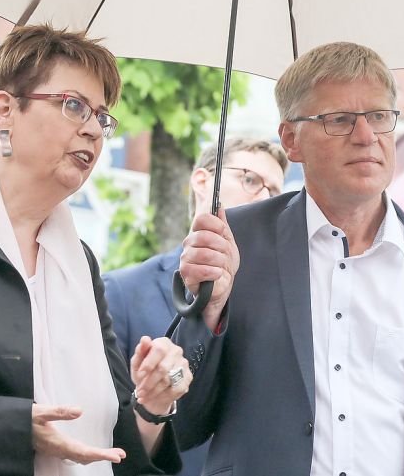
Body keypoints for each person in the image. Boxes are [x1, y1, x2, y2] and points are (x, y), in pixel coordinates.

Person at [172, 42, 404, 475]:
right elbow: (182, 426)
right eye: (338, 120)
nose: (365, 136)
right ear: (290, 139)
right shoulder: (233, 244)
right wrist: (207, 313)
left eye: (379, 116)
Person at [0, 25, 192, 475]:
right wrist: (13, 428)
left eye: (102, 117)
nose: (93, 130)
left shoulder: (78, 262)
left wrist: (154, 405)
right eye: (74, 106)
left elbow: (114, 446)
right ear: (6, 110)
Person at [103, 137, 287, 476]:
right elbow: (105, 426)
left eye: (275, 193)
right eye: (250, 179)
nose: (264, 198)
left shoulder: (276, 307)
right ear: (203, 181)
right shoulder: (122, 291)